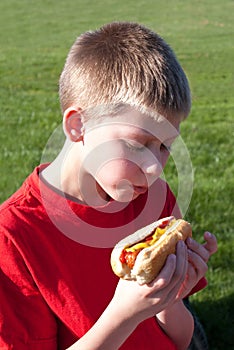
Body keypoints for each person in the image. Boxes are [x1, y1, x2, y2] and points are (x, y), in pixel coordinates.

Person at [0, 22, 217, 350]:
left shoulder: (153, 199)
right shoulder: (13, 239)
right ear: (78, 125)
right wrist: (124, 315)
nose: (156, 168)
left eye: (165, 146)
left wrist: (172, 296)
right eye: (138, 144)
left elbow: (180, 339)